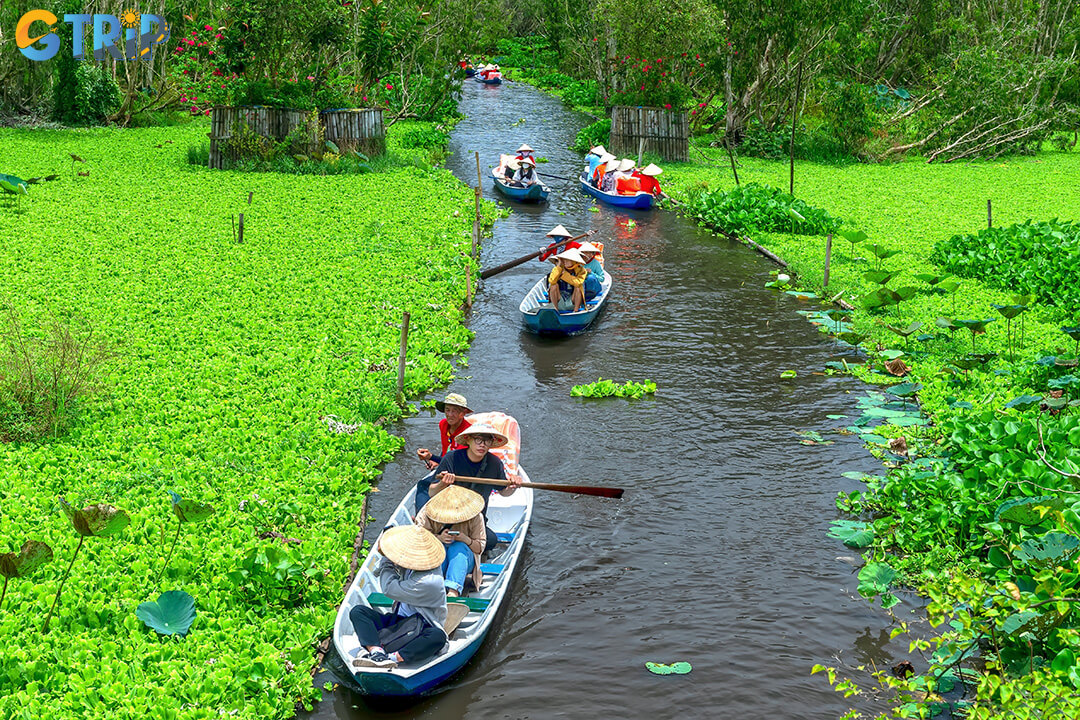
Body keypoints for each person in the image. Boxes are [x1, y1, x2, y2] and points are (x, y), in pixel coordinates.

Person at [349, 525, 447, 669]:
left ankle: (392, 657)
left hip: (422, 626)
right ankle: (377, 652)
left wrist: (386, 557)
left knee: (438, 636)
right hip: (398, 621)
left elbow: (389, 589)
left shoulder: (428, 581)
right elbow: (383, 572)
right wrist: (388, 544)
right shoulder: (412, 565)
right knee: (358, 612)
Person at [428, 423, 523, 550]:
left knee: (491, 541)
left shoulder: (494, 463)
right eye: (478, 439)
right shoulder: (452, 458)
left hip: (476, 521)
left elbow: (504, 492)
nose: (482, 445)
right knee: (438, 537)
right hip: (449, 518)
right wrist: (442, 484)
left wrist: (513, 486)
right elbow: (432, 492)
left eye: (487, 440)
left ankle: (469, 545)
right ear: (469, 439)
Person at [415, 485, 486, 597]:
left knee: (458, 547)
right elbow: (417, 538)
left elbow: (479, 548)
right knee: (439, 548)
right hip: (436, 556)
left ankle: (453, 591)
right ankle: (433, 585)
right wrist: (439, 538)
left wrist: (465, 539)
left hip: (464, 559)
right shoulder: (427, 512)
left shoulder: (476, 516)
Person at [417, 393, 472, 471]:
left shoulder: (468, 433)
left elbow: (455, 461)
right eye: (447, 410)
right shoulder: (443, 424)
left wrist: (431, 457)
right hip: (447, 465)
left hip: (462, 468)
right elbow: (446, 448)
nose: (450, 414)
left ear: (462, 414)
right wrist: (436, 461)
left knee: (424, 483)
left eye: (454, 411)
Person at [546, 248, 588, 312]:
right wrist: (559, 267)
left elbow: (578, 283)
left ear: (574, 261)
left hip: (573, 300)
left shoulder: (581, 271)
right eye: (564, 260)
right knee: (554, 286)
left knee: (578, 288)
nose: (565, 262)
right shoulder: (558, 269)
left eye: (567, 260)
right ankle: (555, 310)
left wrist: (564, 275)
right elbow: (552, 281)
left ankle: (575, 311)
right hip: (560, 299)